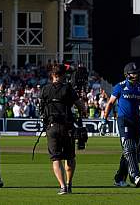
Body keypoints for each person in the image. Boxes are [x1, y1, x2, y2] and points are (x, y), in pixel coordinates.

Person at [39, 64, 87, 195]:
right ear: (63, 75)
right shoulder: (68, 89)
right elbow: (81, 106)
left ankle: (62, 186)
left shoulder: (45, 89)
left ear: (52, 75)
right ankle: (69, 184)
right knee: (70, 157)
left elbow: (41, 109)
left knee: (56, 159)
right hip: (67, 127)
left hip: (52, 127)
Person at [102, 62, 140, 188]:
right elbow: (110, 103)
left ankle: (119, 179)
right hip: (123, 120)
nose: (136, 76)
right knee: (129, 147)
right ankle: (135, 175)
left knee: (128, 152)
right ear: (127, 75)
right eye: (133, 73)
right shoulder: (120, 87)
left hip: (136, 121)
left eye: (137, 73)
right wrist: (104, 120)